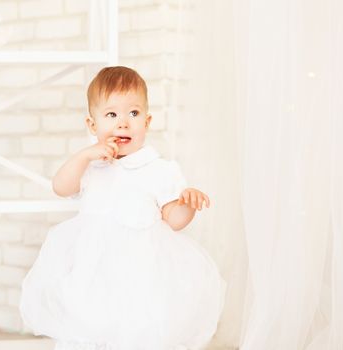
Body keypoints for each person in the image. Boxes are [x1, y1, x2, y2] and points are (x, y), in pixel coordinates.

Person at [19, 66, 226, 350]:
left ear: (147, 120)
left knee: (138, 328)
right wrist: (84, 156)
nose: (123, 123)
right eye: (111, 114)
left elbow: (174, 220)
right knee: (90, 323)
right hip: (93, 267)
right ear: (93, 126)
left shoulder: (160, 169)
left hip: (141, 270)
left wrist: (187, 204)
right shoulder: (91, 165)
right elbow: (61, 187)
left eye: (134, 113)